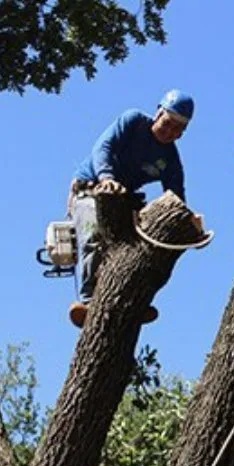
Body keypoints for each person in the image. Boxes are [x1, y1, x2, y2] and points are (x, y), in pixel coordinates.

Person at [67, 89, 194, 328]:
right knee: (93, 235)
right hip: (92, 189)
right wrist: (106, 177)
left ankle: (135, 301)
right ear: (158, 113)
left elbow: (175, 196)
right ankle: (87, 302)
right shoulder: (133, 121)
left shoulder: (170, 159)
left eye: (178, 130)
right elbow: (103, 147)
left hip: (125, 200)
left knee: (144, 249)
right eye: (167, 124)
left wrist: (189, 222)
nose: (170, 132)